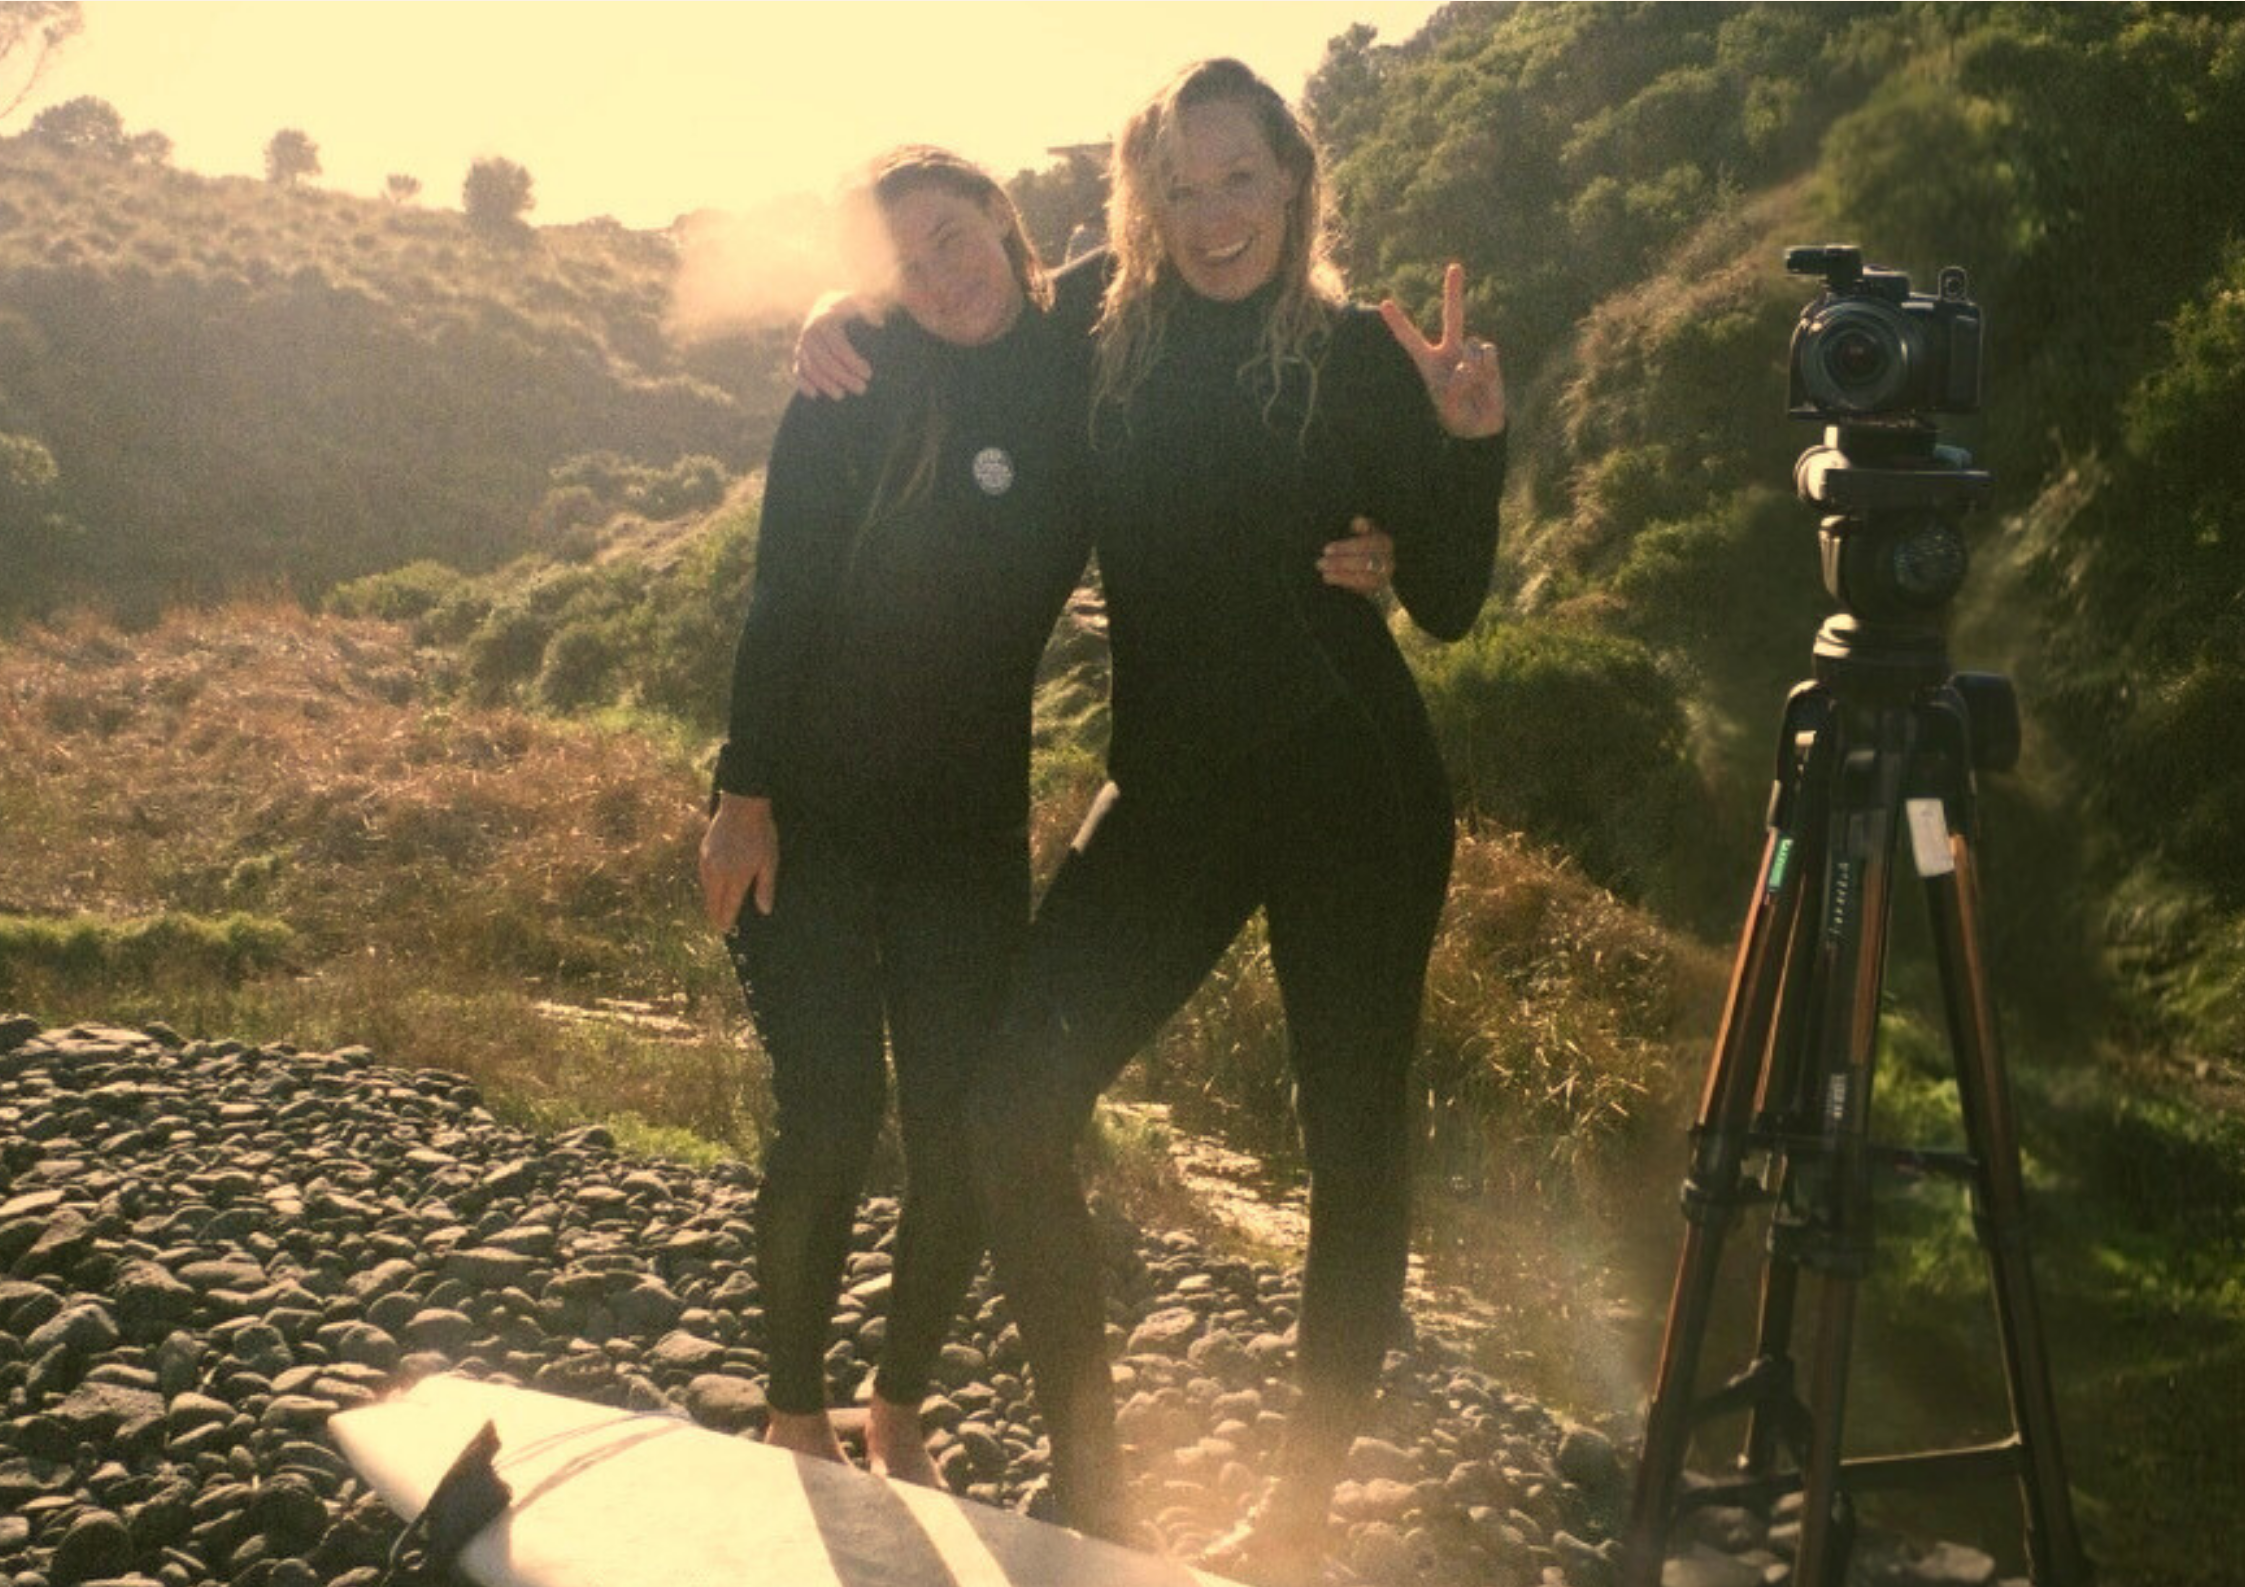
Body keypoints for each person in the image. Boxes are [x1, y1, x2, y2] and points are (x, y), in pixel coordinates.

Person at [704, 143, 1401, 1488]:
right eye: (904, 261)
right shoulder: (856, 379)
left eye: (956, 236)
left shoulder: (1089, 334)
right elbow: (780, 594)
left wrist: (1385, 523)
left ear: (1007, 226)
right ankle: (791, 1415)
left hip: (964, 825)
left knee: (970, 1117)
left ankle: (895, 1399)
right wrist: (744, 795)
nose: (941, 273)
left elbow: (1225, 340)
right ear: (875, 283)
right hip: (811, 807)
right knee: (834, 1112)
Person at [958, 59, 1506, 1580]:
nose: (1214, 218)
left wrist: (1471, 440)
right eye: (1183, 187)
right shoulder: (1087, 326)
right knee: (1012, 1109)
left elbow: (1449, 602)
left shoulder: (1355, 354)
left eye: (1241, 181)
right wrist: (832, 329)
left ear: (1295, 184)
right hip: (1174, 792)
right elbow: (950, 321)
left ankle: (1301, 1505)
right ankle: (1094, 1478)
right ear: (1145, 198)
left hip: (1356, 791)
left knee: (1351, 1146)